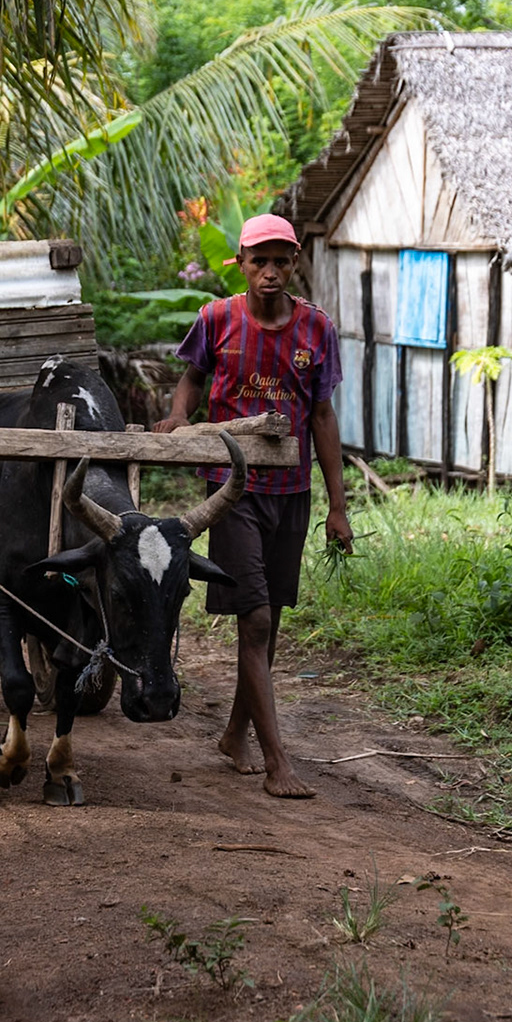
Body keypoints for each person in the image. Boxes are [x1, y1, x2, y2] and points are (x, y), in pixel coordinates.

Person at [154, 214, 352, 799]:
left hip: (291, 493)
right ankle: (276, 763)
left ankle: (236, 734)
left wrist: (338, 507)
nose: (270, 272)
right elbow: (193, 378)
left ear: (294, 264)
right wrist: (180, 415)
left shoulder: (316, 329)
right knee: (258, 619)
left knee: (270, 621)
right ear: (240, 263)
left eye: (280, 262)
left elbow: (322, 417)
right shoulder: (217, 318)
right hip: (231, 490)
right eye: (259, 261)